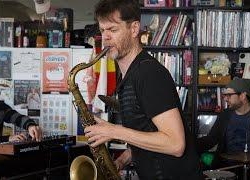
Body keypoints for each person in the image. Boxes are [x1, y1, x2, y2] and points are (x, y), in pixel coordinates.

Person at [84, 0, 203, 179]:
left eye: (113, 30)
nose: (105, 37)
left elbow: (175, 144)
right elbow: (148, 133)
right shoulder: (128, 76)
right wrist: (122, 160)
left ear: (134, 29)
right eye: (102, 30)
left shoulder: (149, 74)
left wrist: (114, 131)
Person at [197, 78, 250, 179]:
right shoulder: (225, 115)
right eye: (224, 95)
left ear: (242, 96)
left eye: (229, 95)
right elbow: (211, 139)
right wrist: (190, 145)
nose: (225, 99)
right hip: (226, 167)